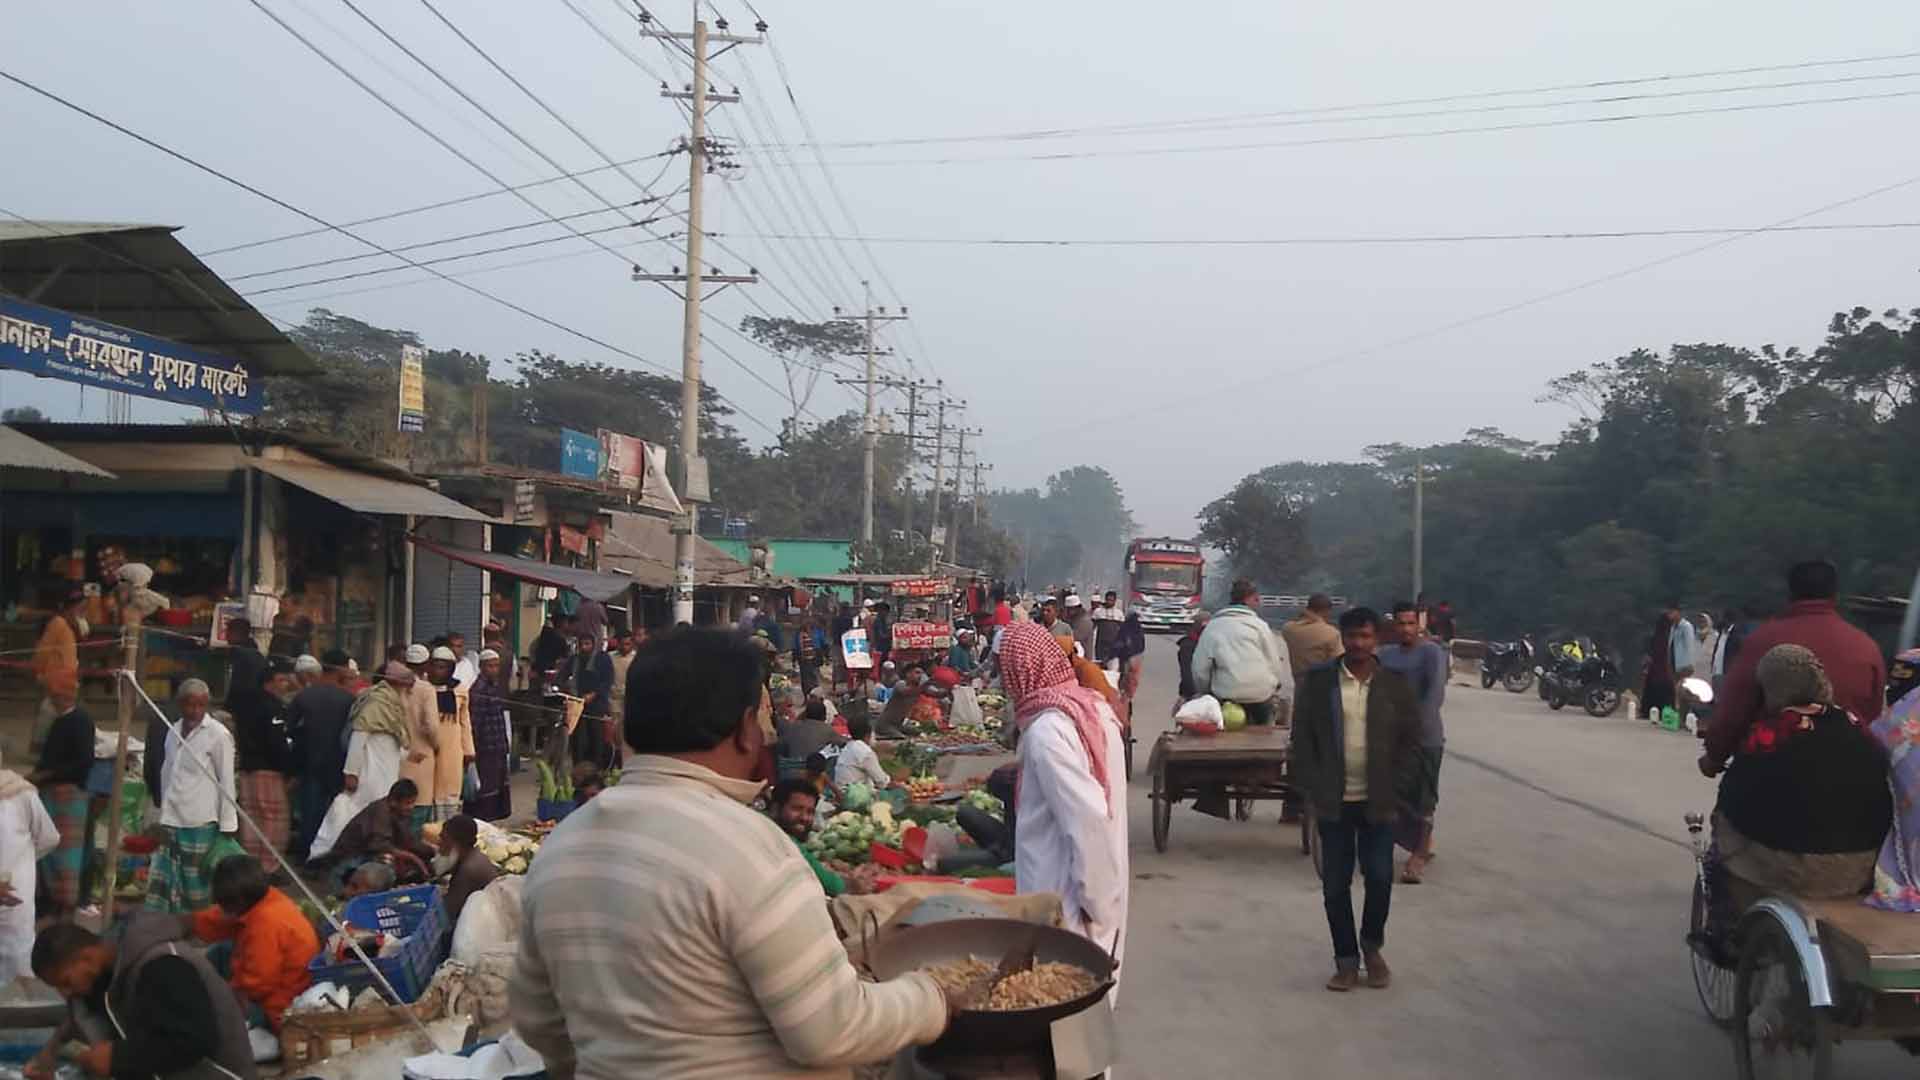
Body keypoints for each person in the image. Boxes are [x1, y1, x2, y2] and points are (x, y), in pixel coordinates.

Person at [511, 630, 949, 1076]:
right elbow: (832, 1030)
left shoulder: (561, 847)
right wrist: (932, 997)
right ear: (745, 730)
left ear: (626, 727)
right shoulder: (750, 846)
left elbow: (539, 1023)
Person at [1290, 607, 1420, 992]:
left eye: (1366, 637)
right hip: (1334, 801)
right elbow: (1303, 740)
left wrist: (1399, 788)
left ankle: (1372, 946)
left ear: (1376, 639)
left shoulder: (1395, 684)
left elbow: (1411, 742)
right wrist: (1312, 787)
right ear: (1341, 639)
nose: (1359, 644)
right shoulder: (1319, 683)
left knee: (1380, 877)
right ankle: (1345, 960)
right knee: (1335, 885)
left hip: (1380, 801)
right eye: (1352, 637)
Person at [1711, 645, 1889, 903]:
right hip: (1859, 869)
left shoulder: (1770, 734)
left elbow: (1735, 797)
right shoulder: (1856, 725)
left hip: (1793, 870)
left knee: (1725, 817)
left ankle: (1728, 918)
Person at [999, 622, 1130, 967]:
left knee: (1062, 1002)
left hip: (1064, 901)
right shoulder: (1093, 709)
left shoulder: (1048, 730)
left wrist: (1096, 906)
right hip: (1084, 895)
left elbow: (1089, 822)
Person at [1703, 560, 1887, 777]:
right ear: (1834, 595)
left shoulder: (1762, 641)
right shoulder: (1865, 647)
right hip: (1844, 777)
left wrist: (1714, 756)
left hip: (1771, 775)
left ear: (1791, 593)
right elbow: (1873, 717)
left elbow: (1734, 711)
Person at [29, 916, 257, 1080]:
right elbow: (82, 1018)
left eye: (66, 982)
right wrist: (50, 1053)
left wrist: (117, 1059)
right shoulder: (101, 976)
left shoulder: (162, 965)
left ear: (88, 958)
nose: (65, 993)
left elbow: (193, 1041)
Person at [186, 854, 320, 1035]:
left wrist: (226, 993)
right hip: (270, 982)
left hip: (279, 1006)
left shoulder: (265, 923)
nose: (224, 909)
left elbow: (258, 984)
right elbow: (219, 918)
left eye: (227, 905)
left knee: (212, 1014)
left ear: (239, 902)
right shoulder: (265, 898)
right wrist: (189, 922)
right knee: (219, 952)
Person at [308, 662, 416, 862]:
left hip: (385, 773)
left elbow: (395, 743)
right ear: (395, 684)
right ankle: (325, 858)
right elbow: (359, 737)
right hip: (369, 773)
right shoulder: (376, 703)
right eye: (406, 686)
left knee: (377, 818)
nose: (408, 691)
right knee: (356, 816)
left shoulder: (391, 705)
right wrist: (351, 772)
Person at [147, 678, 238, 914]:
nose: (194, 711)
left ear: (206, 705)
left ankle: (200, 926)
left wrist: (228, 824)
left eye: (200, 705)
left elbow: (227, 780)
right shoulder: (173, 731)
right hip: (172, 818)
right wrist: (161, 810)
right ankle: (177, 924)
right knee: (170, 879)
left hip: (200, 820)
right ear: (180, 704)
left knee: (197, 882)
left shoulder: (218, 735)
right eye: (189, 705)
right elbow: (167, 771)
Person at [1378, 602, 1449, 885]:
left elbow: (1434, 695)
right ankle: (1409, 845)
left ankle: (1418, 857)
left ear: (1418, 624)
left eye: (1410, 623)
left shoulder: (1432, 652)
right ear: (1393, 626)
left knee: (1423, 798)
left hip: (1425, 737)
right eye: (1401, 624)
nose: (1406, 629)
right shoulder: (1386, 655)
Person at [1191, 578, 1294, 725]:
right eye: (1256, 599)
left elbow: (1200, 668)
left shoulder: (1213, 627)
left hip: (1226, 696)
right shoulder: (1260, 626)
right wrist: (1274, 684)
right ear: (1249, 599)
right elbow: (1274, 663)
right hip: (1260, 695)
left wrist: (1206, 692)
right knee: (1264, 731)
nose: (1258, 603)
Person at [229, 658, 296, 876]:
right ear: (269, 682)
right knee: (274, 821)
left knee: (251, 818)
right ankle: (268, 868)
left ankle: (251, 867)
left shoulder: (244, 705)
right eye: (281, 680)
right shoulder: (273, 707)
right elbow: (276, 743)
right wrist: (289, 769)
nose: (286, 684)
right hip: (269, 771)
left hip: (248, 769)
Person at [32, 685, 93, 920]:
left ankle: (66, 909)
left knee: (67, 859)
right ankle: (52, 904)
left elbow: (82, 763)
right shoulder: (59, 722)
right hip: (51, 794)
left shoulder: (80, 720)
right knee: (49, 852)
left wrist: (45, 775)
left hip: (68, 796)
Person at [288, 650, 354, 861]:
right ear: (341, 669)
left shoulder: (303, 696)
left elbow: (290, 731)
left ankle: (308, 857)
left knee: (309, 815)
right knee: (334, 816)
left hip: (309, 765)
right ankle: (326, 859)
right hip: (338, 766)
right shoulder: (348, 699)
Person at [0, 753, 58, 982]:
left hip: (16, 896)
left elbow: (48, 838)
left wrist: (21, 866)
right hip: (16, 890)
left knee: (19, 962)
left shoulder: (20, 794)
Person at [315, 780, 436, 888]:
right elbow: (379, 845)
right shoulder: (380, 811)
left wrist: (429, 852)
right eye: (408, 803)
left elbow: (407, 839)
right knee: (386, 868)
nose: (411, 807)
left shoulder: (398, 812)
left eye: (413, 803)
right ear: (394, 801)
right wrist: (413, 858)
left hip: (366, 854)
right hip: (350, 858)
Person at [769, 779, 846, 898]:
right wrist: (849, 884)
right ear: (775, 809)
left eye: (810, 812)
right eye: (796, 809)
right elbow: (831, 885)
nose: (804, 817)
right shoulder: (780, 838)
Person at [427, 646, 476, 823]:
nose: (437, 671)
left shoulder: (460, 689)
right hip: (427, 746)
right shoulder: (423, 688)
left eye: (443, 667)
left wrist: (469, 750)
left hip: (452, 747)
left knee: (448, 788)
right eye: (435, 666)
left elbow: (465, 721)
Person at [465, 650, 513, 822]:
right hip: (485, 749)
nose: (494, 670)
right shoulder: (478, 689)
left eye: (496, 666)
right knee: (486, 792)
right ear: (481, 667)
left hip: (497, 746)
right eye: (490, 666)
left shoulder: (495, 687)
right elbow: (475, 723)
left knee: (497, 789)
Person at [399, 644, 441, 832]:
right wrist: (437, 745)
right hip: (422, 756)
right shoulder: (426, 689)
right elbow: (431, 725)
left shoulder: (394, 685)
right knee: (418, 810)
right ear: (425, 665)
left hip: (398, 756)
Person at [31, 591, 84, 739]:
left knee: (58, 717)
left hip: (67, 680)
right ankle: (42, 749)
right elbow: (43, 651)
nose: (82, 613)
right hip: (57, 679)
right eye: (80, 609)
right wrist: (39, 672)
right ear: (71, 608)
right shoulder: (58, 624)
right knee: (50, 713)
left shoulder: (67, 626)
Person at [569, 629, 618, 771]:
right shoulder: (575, 659)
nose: (584, 647)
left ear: (593, 644)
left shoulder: (603, 659)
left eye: (587, 644)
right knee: (578, 741)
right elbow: (563, 676)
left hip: (597, 706)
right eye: (582, 644)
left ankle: (597, 770)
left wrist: (594, 694)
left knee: (596, 739)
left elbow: (607, 680)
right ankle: (578, 769)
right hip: (577, 705)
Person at [437, 815, 497, 926]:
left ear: (456, 843)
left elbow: (449, 912)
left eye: (444, 838)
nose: (439, 843)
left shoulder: (468, 870)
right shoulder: (472, 855)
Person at [1282, 594, 1344, 681]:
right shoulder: (1331, 633)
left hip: (1298, 683)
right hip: (1321, 684)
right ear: (1326, 611)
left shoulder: (1288, 629)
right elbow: (1340, 664)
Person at [776, 698, 843, 774]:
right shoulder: (826, 728)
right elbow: (843, 743)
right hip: (813, 772)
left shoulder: (793, 726)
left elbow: (782, 747)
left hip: (791, 769)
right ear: (823, 716)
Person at [1639, 606, 1682, 721]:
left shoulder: (1658, 634)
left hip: (1656, 668)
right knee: (1665, 689)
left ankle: (1649, 711)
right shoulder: (1666, 635)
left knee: (1654, 689)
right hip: (1662, 668)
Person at [834, 713, 893, 789]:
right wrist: (903, 786)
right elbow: (882, 782)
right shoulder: (866, 752)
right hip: (856, 795)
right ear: (868, 734)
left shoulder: (849, 747)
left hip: (843, 790)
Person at [223, 618, 266, 709]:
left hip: (240, 705)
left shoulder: (239, 655)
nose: (226, 636)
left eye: (228, 632)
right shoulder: (257, 654)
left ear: (236, 634)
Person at [530, 613, 574, 693]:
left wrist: (533, 664)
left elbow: (532, 648)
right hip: (551, 674)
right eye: (567, 622)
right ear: (562, 623)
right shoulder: (560, 640)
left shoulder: (542, 637)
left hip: (537, 671)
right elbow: (566, 658)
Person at [1175, 611, 1211, 701]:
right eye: (1203, 627)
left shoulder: (1212, 643)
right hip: (1190, 694)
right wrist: (1194, 694)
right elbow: (1187, 674)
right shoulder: (1188, 645)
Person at [1111, 613, 1148, 701]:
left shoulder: (1125, 628)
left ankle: (1125, 693)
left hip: (1129, 656)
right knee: (1131, 677)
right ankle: (1128, 694)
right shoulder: (1138, 629)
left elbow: (1119, 642)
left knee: (1127, 675)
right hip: (1135, 656)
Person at [608, 631, 637, 724]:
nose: (624, 647)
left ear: (632, 644)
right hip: (614, 700)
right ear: (618, 644)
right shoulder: (609, 657)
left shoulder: (636, 658)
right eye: (622, 644)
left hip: (631, 700)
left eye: (627, 644)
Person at [1091, 591, 1123, 663]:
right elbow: (1092, 627)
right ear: (1105, 599)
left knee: (1112, 663)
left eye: (1111, 600)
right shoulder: (1098, 612)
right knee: (1099, 662)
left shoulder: (1119, 613)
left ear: (1115, 601)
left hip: (1113, 643)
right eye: (1108, 600)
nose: (1109, 602)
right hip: (1100, 643)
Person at [1064, 595, 1096, 660]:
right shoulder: (1073, 620)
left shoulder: (1085, 621)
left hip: (1083, 660)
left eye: (1069, 609)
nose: (1067, 612)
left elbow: (1074, 638)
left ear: (1077, 608)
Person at [870, 601, 894, 668]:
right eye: (886, 612)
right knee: (881, 664)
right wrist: (891, 635)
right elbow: (881, 635)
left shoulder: (883, 620)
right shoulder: (878, 621)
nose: (887, 614)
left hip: (884, 647)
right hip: (881, 647)